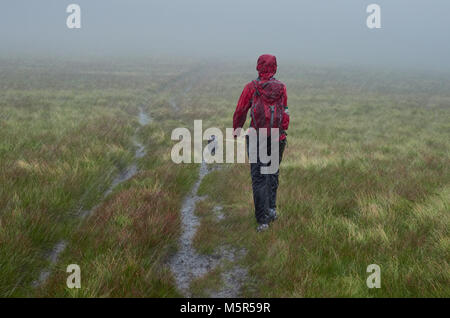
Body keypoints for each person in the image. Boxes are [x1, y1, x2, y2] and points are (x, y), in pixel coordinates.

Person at [233, 54, 290, 232]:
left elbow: (241, 110)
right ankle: (272, 210)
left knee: (258, 178)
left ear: (258, 66)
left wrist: (237, 129)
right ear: (275, 67)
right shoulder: (281, 88)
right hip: (277, 137)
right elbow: (286, 114)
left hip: (257, 137)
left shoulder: (251, 87)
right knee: (272, 174)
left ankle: (263, 221)